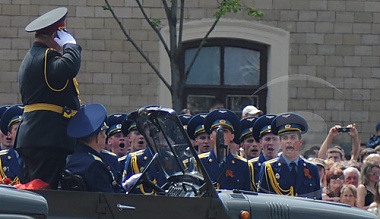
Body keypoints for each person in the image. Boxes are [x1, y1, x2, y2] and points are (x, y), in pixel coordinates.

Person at [15, 7, 81, 189]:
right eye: (62, 34)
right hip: (47, 137)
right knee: (45, 192)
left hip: (37, 135)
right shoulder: (46, 57)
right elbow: (69, 67)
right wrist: (72, 46)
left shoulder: (33, 57)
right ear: (55, 35)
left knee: (35, 190)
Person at [258, 112, 321, 199]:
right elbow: (262, 199)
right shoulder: (269, 168)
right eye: (285, 138)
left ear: (300, 142)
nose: (289, 141)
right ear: (280, 142)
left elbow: (318, 200)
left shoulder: (311, 168)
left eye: (293, 137)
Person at [66, 103, 120, 193]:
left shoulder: (72, 158)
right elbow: (109, 200)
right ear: (99, 136)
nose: (105, 136)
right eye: (104, 132)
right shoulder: (95, 164)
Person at [200, 108, 251, 191]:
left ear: (232, 136)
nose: (221, 134)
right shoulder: (199, 162)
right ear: (211, 136)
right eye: (217, 131)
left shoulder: (242, 165)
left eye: (225, 131)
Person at [248, 114, 280, 191]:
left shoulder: (286, 165)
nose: (271, 143)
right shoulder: (250, 166)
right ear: (260, 142)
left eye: (275, 139)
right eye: (267, 139)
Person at [0, 105, 24, 185]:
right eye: (16, 129)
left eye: (23, 128)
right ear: (9, 134)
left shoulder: (35, 157)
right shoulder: (2, 159)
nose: (20, 132)